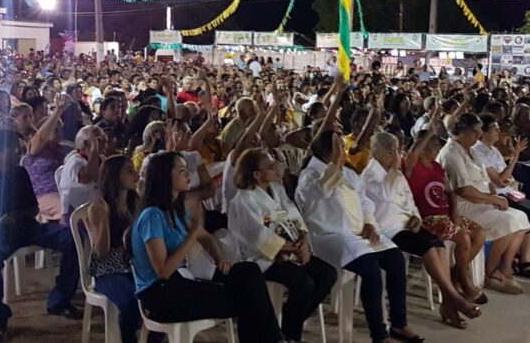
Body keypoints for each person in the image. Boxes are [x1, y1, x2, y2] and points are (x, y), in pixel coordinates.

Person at [130, 151, 284, 343]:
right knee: (246, 297)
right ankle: (275, 340)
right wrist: (193, 233)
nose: (188, 175)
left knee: (248, 271)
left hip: (182, 281)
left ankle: (275, 339)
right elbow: (163, 271)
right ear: (165, 177)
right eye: (182, 170)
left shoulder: (175, 209)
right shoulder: (152, 216)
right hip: (161, 294)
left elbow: (206, 238)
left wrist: (220, 260)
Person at [296, 130, 423, 343]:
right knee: (371, 269)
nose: (344, 151)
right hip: (331, 236)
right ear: (327, 151)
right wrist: (336, 164)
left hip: (360, 233)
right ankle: (379, 334)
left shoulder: (349, 174)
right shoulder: (310, 176)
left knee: (395, 259)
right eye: (339, 148)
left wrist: (370, 224)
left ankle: (399, 324)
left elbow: (365, 202)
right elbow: (323, 191)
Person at [0, 127, 82, 342]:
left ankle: (59, 300)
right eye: (13, 149)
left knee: (73, 238)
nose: (18, 153)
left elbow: (33, 208)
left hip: (27, 227)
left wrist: (16, 215)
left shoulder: (20, 172)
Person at [363, 132, 481, 329]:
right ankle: (453, 297)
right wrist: (393, 170)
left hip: (407, 224)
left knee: (437, 243)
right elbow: (383, 196)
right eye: (394, 150)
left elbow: (410, 201)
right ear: (382, 151)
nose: (398, 154)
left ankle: (447, 301)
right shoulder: (369, 174)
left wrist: (416, 217)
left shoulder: (397, 173)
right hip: (387, 229)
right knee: (427, 246)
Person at [229, 148, 337, 342]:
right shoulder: (244, 199)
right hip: (265, 258)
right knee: (304, 283)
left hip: (292, 249)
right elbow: (255, 235)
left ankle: (288, 328)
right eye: (270, 167)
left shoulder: (276, 190)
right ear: (256, 174)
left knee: (328, 274)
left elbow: (294, 215)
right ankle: (291, 335)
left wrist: (303, 239)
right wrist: (291, 247)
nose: (275, 169)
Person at [438, 113, 530, 294]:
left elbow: (484, 179)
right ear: (465, 132)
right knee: (508, 222)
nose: (478, 137)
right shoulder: (451, 154)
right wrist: (493, 199)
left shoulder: (470, 150)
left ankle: (500, 270)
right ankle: (488, 273)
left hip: (481, 202)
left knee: (520, 218)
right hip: (463, 207)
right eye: (476, 133)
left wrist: (494, 195)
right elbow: (464, 191)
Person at [405, 121, 487, 308]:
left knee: (480, 233)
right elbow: (413, 153)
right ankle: (464, 282)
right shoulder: (411, 166)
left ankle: (457, 273)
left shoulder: (436, 167)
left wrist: (455, 212)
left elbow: (449, 192)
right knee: (463, 237)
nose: (437, 148)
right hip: (428, 218)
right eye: (433, 145)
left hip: (446, 215)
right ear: (422, 146)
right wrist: (428, 132)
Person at [472, 114, 530, 279]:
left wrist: (510, 177)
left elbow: (508, 177)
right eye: (494, 129)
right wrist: (515, 158)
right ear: (483, 132)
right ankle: (515, 260)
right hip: (497, 195)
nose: (498, 132)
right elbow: (500, 180)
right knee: (527, 217)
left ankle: (522, 257)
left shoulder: (494, 151)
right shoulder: (478, 151)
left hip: (508, 192)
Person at [85, 155, 141, 343]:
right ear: (114, 176)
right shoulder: (98, 208)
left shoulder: (135, 202)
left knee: (161, 295)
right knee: (130, 303)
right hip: (108, 270)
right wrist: (105, 219)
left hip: (133, 264)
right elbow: (102, 252)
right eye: (129, 171)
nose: (136, 174)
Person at [25, 95, 73, 222]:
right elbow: (40, 137)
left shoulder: (65, 150)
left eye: (60, 129)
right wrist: (58, 112)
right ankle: (67, 239)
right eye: (54, 128)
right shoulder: (34, 150)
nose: (58, 131)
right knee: (65, 208)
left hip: (65, 193)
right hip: (43, 195)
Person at [58, 125, 107, 220]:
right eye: (99, 138)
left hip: (97, 208)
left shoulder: (101, 158)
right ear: (85, 144)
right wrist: (93, 150)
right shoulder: (74, 161)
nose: (105, 141)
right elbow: (88, 177)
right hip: (77, 212)